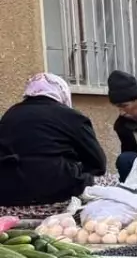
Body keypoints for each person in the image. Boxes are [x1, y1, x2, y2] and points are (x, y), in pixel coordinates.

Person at [0, 73, 107, 206]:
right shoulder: (71, 116)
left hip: (9, 192)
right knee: (97, 180)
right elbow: (98, 164)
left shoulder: (9, 115)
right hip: (56, 190)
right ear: (62, 92)